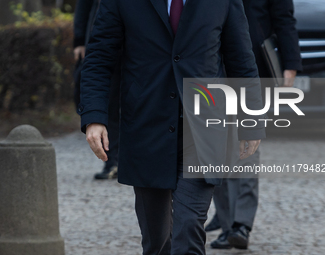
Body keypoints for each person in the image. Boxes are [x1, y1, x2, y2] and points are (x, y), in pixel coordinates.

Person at [78, 0, 266, 253]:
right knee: (157, 241)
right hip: (147, 130)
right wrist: (94, 117)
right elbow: (98, 58)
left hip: (204, 130)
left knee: (188, 230)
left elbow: (241, 59)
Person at [208, 0, 303, 250]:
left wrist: (290, 62)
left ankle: (241, 223)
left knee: (247, 147)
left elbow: (283, 17)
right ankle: (227, 223)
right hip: (211, 65)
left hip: (252, 69)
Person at [73, 0, 120, 180]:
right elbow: (84, 5)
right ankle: (112, 160)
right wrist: (80, 40)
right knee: (109, 102)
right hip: (103, 36)